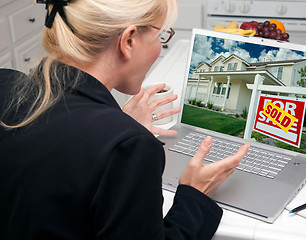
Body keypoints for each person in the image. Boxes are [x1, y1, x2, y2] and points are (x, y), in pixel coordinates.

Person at [0, 0, 250, 239]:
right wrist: (194, 195)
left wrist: (118, 124)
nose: (159, 47)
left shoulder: (5, 83)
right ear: (129, 40)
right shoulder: (129, 147)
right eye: (160, 36)